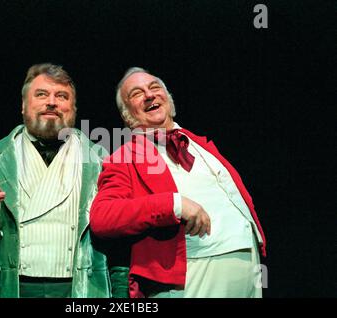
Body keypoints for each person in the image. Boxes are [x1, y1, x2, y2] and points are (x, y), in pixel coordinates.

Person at [90, 67, 267, 298]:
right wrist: (174, 204)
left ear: (168, 98)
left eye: (154, 87)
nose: (149, 95)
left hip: (249, 264)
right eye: (136, 93)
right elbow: (103, 217)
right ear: (127, 115)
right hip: (196, 269)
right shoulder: (125, 157)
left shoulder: (200, 144)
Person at [0, 63, 111, 298]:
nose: (51, 102)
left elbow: (121, 244)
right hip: (9, 288)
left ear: (73, 108)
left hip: (80, 290)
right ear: (23, 106)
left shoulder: (103, 162)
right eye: (41, 94)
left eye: (61, 96)